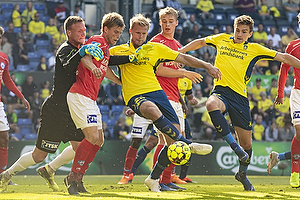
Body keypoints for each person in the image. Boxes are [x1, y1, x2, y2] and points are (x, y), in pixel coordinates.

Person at [179, 14, 300, 191]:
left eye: (244, 32)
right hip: (221, 92)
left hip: (241, 99)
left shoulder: (255, 48)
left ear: (250, 34)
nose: (239, 34)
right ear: (233, 28)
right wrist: (180, 51)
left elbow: (283, 58)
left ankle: (242, 174)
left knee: (248, 145)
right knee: (211, 104)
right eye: (237, 30)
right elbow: (201, 42)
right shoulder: (221, 39)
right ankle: (235, 149)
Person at [110, 13, 221, 193]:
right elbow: (102, 61)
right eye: (137, 33)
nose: (140, 37)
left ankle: (153, 179)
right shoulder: (119, 50)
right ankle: (187, 143)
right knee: (151, 111)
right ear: (130, 31)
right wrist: (118, 80)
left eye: (143, 34)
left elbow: (183, 59)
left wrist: (207, 66)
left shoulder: (154, 48)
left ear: (147, 33)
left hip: (158, 93)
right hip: (136, 96)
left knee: (172, 142)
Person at [0, 16, 105, 193]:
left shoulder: (84, 49)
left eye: (84, 30)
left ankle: (50, 170)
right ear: (68, 32)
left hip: (74, 108)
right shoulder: (64, 50)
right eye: (79, 31)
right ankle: (7, 175)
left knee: (81, 148)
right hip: (56, 110)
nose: (83, 33)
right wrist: (80, 53)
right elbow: (69, 66)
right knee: (39, 155)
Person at [64, 12, 154, 195]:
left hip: (89, 98)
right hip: (79, 95)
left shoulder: (105, 48)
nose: (117, 36)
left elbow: (104, 71)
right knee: (91, 137)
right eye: (115, 32)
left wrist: (122, 82)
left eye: (120, 33)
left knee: (99, 139)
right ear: (105, 29)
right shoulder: (97, 40)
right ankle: (71, 178)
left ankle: (79, 177)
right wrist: (93, 68)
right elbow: (85, 57)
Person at [267, 14, 300, 187]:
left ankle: (277, 157)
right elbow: (284, 68)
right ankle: (295, 173)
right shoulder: (293, 46)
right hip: (298, 94)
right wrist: (280, 93)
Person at [0, 25, 31, 186]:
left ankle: (2, 175)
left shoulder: (4, 58)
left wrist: (22, 97)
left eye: (0, 37)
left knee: (4, 138)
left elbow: (7, 81)